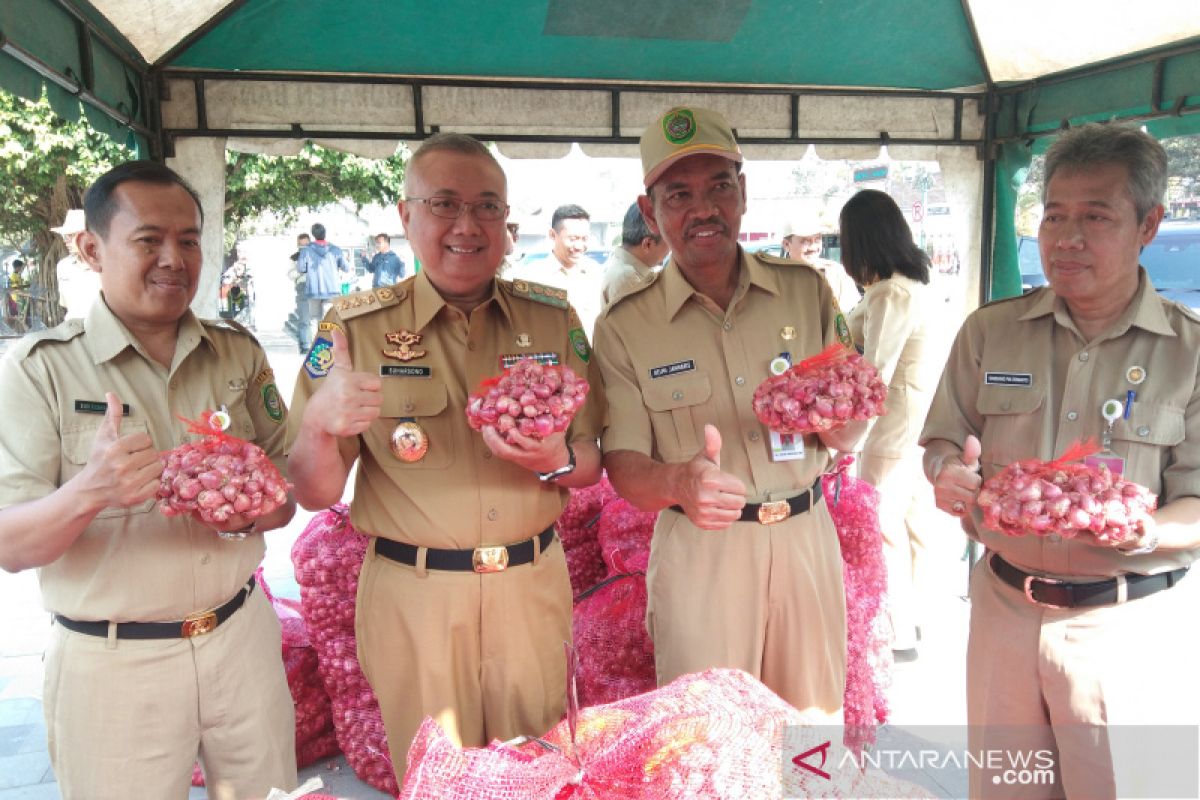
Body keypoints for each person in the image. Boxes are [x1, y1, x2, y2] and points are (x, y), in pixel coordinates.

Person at [286, 133, 606, 783]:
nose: (467, 224)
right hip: (415, 598)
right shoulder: (355, 329)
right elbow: (315, 494)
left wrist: (550, 457)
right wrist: (319, 429)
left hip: (530, 588)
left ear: (507, 222)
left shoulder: (551, 319)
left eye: (488, 206)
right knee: (438, 779)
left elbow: (591, 462)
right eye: (444, 204)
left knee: (541, 776)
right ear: (406, 217)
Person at [0, 161, 298, 799]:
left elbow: (287, 488)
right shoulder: (39, 370)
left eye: (189, 240)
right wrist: (90, 492)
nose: (174, 258)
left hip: (239, 639)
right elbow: (10, 545)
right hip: (113, 666)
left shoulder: (236, 351)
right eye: (149, 239)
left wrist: (249, 509)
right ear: (90, 248)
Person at [921, 123, 1200, 798]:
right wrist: (949, 475)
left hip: (1126, 626)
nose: (1067, 238)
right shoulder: (990, 331)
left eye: (1096, 217)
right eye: (1054, 216)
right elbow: (942, 441)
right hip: (1004, 611)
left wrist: (1144, 531)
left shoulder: (1188, 353)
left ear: (1148, 225)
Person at [593, 106, 866, 718]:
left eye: (719, 185)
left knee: (810, 735)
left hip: (804, 537)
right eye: (679, 194)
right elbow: (623, 464)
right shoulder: (625, 325)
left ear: (742, 190)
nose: (704, 209)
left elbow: (850, 426)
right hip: (703, 552)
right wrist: (678, 481)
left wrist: (831, 417)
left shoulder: (806, 290)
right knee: (711, 740)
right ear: (651, 209)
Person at [839, 189, 947, 661]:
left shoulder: (890, 294)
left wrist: (843, 436)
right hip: (916, 425)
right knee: (911, 527)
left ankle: (896, 630)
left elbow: (873, 375)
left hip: (892, 431)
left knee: (882, 527)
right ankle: (916, 621)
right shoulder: (912, 287)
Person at [509, 204, 605, 337]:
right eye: (573, 239)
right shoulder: (532, 276)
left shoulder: (595, 272)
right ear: (553, 235)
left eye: (584, 239)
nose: (579, 246)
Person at [781, 214, 861, 311]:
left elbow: (851, 313)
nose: (813, 247)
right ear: (786, 244)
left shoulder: (836, 273)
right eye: (805, 241)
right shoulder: (776, 277)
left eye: (817, 239)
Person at [600, 201, 670, 305]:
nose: (670, 249)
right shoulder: (627, 278)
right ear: (647, 245)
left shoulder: (626, 270)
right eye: (669, 241)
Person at [296, 222, 349, 350]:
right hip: (332, 290)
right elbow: (346, 268)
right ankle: (330, 346)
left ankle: (317, 347)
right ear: (325, 233)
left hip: (313, 290)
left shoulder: (306, 250)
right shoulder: (335, 250)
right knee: (329, 319)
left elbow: (301, 268)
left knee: (315, 319)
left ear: (313, 235)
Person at [52, 208, 102, 319]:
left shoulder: (106, 265)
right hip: (74, 328)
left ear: (86, 237)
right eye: (65, 236)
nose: (66, 240)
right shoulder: (64, 267)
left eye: (71, 236)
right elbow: (65, 303)